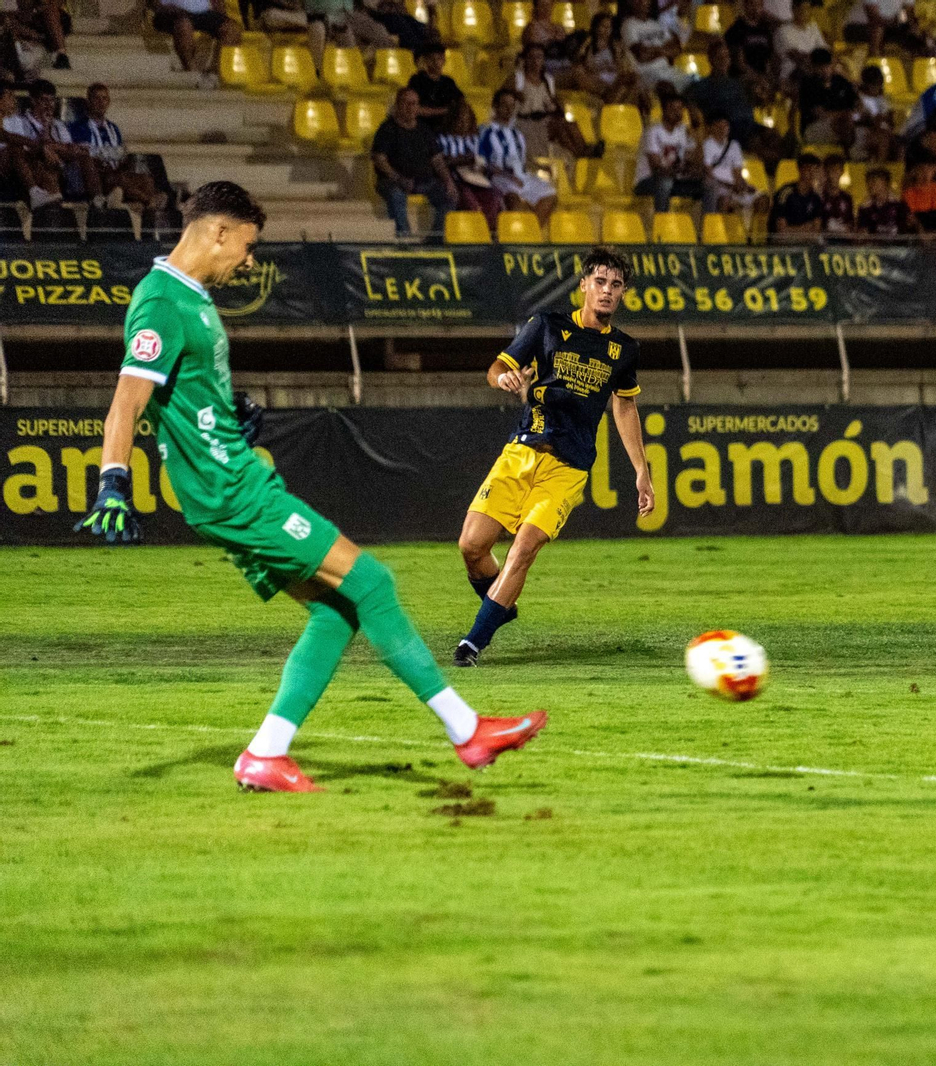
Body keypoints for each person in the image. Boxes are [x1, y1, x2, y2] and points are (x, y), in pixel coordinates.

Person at [75, 181, 544, 790]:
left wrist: (221, 409)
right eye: (246, 246)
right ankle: (467, 731)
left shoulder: (188, 298)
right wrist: (113, 480)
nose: (248, 260)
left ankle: (266, 755)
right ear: (218, 230)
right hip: (229, 491)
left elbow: (180, 392)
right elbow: (124, 404)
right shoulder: (161, 301)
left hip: (231, 479)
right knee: (371, 582)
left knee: (335, 610)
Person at [455, 249, 651, 667]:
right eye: (600, 282)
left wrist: (641, 472)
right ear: (583, 285)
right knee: (472, 546)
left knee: (523, 548)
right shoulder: (547, 326)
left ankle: (473, 642)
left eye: (616, 285)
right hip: (522, 452)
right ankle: (501, 607)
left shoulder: (624, 349)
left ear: (623, 294)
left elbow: (625, 407)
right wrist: (503, 377)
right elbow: (497, 366)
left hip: (568, 467)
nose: (607, 291)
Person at [371, 86, 457, 237]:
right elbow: (379, 159)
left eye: (414, 103)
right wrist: (399, 179)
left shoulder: (424, 130)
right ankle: (405, 239)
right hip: (393, 180)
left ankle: (435, 240)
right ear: (398, 105)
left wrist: (448, 180)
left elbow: (437, 160)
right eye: (406, 103)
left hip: (423, 181)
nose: (411, 108)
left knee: (450, 196)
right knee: (397, 195)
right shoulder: (387, 129)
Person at [68, 82, 164, 212]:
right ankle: (149, 201)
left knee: (145, 179)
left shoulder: (113, 128)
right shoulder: (78, 127)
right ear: (89, 102)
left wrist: (123, 161)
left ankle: (145, 209)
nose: (101, 102)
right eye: (97, 98)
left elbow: (119, 154)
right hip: (96, 176)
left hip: (116, 172)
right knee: (115, 179)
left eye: (104, 98)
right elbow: (84, 154)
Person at [5, 79, 99, 206]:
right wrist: (46, 142)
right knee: (47, 163)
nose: (49, 105)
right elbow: (25, 150)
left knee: (84, 155)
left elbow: (68, 149)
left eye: (52, 100)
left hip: (61, 167)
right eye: (44, 100)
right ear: (33, 101)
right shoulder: (20, 122)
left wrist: (49, 135)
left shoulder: (58, 125)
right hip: (35, 166)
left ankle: (98, 200)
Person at [480, 87, 558, 223]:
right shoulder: (486, 132)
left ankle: (532, 234)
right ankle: (517, 234)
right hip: (500, 177)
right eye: (504, 105)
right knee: (513, 200)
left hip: (521, 176)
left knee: (550, 195)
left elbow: (521, 158)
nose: (509, 109)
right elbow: (483, 162)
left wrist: (540, 167)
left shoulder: (517, 134)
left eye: (512, 106)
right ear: (495, 106)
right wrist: (508, 176)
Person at [438, 97, 499, 228]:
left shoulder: (475, 140)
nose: (463, 123)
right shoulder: (442, 139)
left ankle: (488, 234)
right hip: (457, 181)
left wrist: (482, 166)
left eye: (466, 119)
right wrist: (461, 160)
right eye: (460, 119)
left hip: (477, 179)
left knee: (495, 197)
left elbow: (483, 162)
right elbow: (440, 163)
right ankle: (477, 232)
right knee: (469, 201)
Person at [633, 87, 697, 212]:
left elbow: (692, 160)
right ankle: (661, 220)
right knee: (665, 182)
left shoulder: (683, 132)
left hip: (675, 179)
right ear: (664, 110)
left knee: (707, 185)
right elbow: (656, 168)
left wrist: (695, 132)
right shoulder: (653, 132)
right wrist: (679, 171)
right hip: (647, 181)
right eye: (673, 109)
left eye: (680, 109)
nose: (677, 113)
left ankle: (704, 225)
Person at [148, 0, 241, 76]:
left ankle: (216, 71)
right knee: (184, 25)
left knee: (231, 29)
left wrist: (221, 14)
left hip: (201, 13)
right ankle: (191, 70)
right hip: (170, 12)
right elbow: (154, 3)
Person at [700, 112, 766, 217]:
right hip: (718, 188)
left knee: (763, 200)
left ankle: (755, 231)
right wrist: (729, 186)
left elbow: (737, 171)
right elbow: (708, 172)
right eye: (719, 126)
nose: (722, 129)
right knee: (725, 201)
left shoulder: (734, 145)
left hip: (734, 187)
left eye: (725, 125)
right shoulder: (707, 145)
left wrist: (741, 185)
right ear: (712, 127)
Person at [797, 47, 857, 145]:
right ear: (813, 67)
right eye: (820, 67)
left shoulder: (841, 82)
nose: (824, 70)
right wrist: (843, 115)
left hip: (846, 123)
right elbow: (820, 114)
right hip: (814, 127)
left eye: (827, 65)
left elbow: (856, 105)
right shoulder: (808, 85)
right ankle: (847, 152)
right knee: (843, 123)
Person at [408, 43, 465, 130]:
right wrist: (445, 111)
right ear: (426, 60)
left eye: (439, 58)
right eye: (432, 59)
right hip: (423, 128)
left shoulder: (448, 82)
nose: (436, 63)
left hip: (446, 128)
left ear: (444, 60)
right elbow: (416, 109)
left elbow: (460, 102)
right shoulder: (416, 81)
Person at [769, 151, 825, 235]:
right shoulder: (785, 193)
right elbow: (781, 229)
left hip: (806, 238)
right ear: (800, 170)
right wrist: (804, 228)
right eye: (808, 169)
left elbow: (816, 228)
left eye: (815, 170)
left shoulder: (815, 197)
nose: (812, 174)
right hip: (783, 240)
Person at [855, 166, 911, 234]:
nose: (870, 185)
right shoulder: (865, 207)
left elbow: (908, 224)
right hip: (874, 244)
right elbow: (862, 230)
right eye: (868, 182)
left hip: (897, 243)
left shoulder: (899, 204)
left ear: (885, 182)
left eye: (873, 181)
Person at [819, 154, 854, 234]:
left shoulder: (847, 198)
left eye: (836, 170)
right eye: (831, 170)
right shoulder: (820, 197)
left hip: (843, 243)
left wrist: (841, 229)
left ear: (842, 172)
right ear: (825, 172)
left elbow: (851, 224)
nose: (833, 174)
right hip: (824, 243)